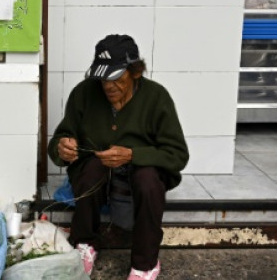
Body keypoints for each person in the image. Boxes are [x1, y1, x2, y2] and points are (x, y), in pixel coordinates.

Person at [49, 34, 188, 280]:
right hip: (100, 171)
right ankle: (84, 244)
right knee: (90, 170)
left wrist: (133, 154)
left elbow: (177, 155)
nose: (108, 86)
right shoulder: (84, 93)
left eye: (116, 78)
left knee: (147, 180)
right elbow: (62, 136)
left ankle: (145, 264)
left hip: (140, 171)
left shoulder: (156, 97)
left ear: (135, 72)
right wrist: (62, 146)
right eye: (103, 79)